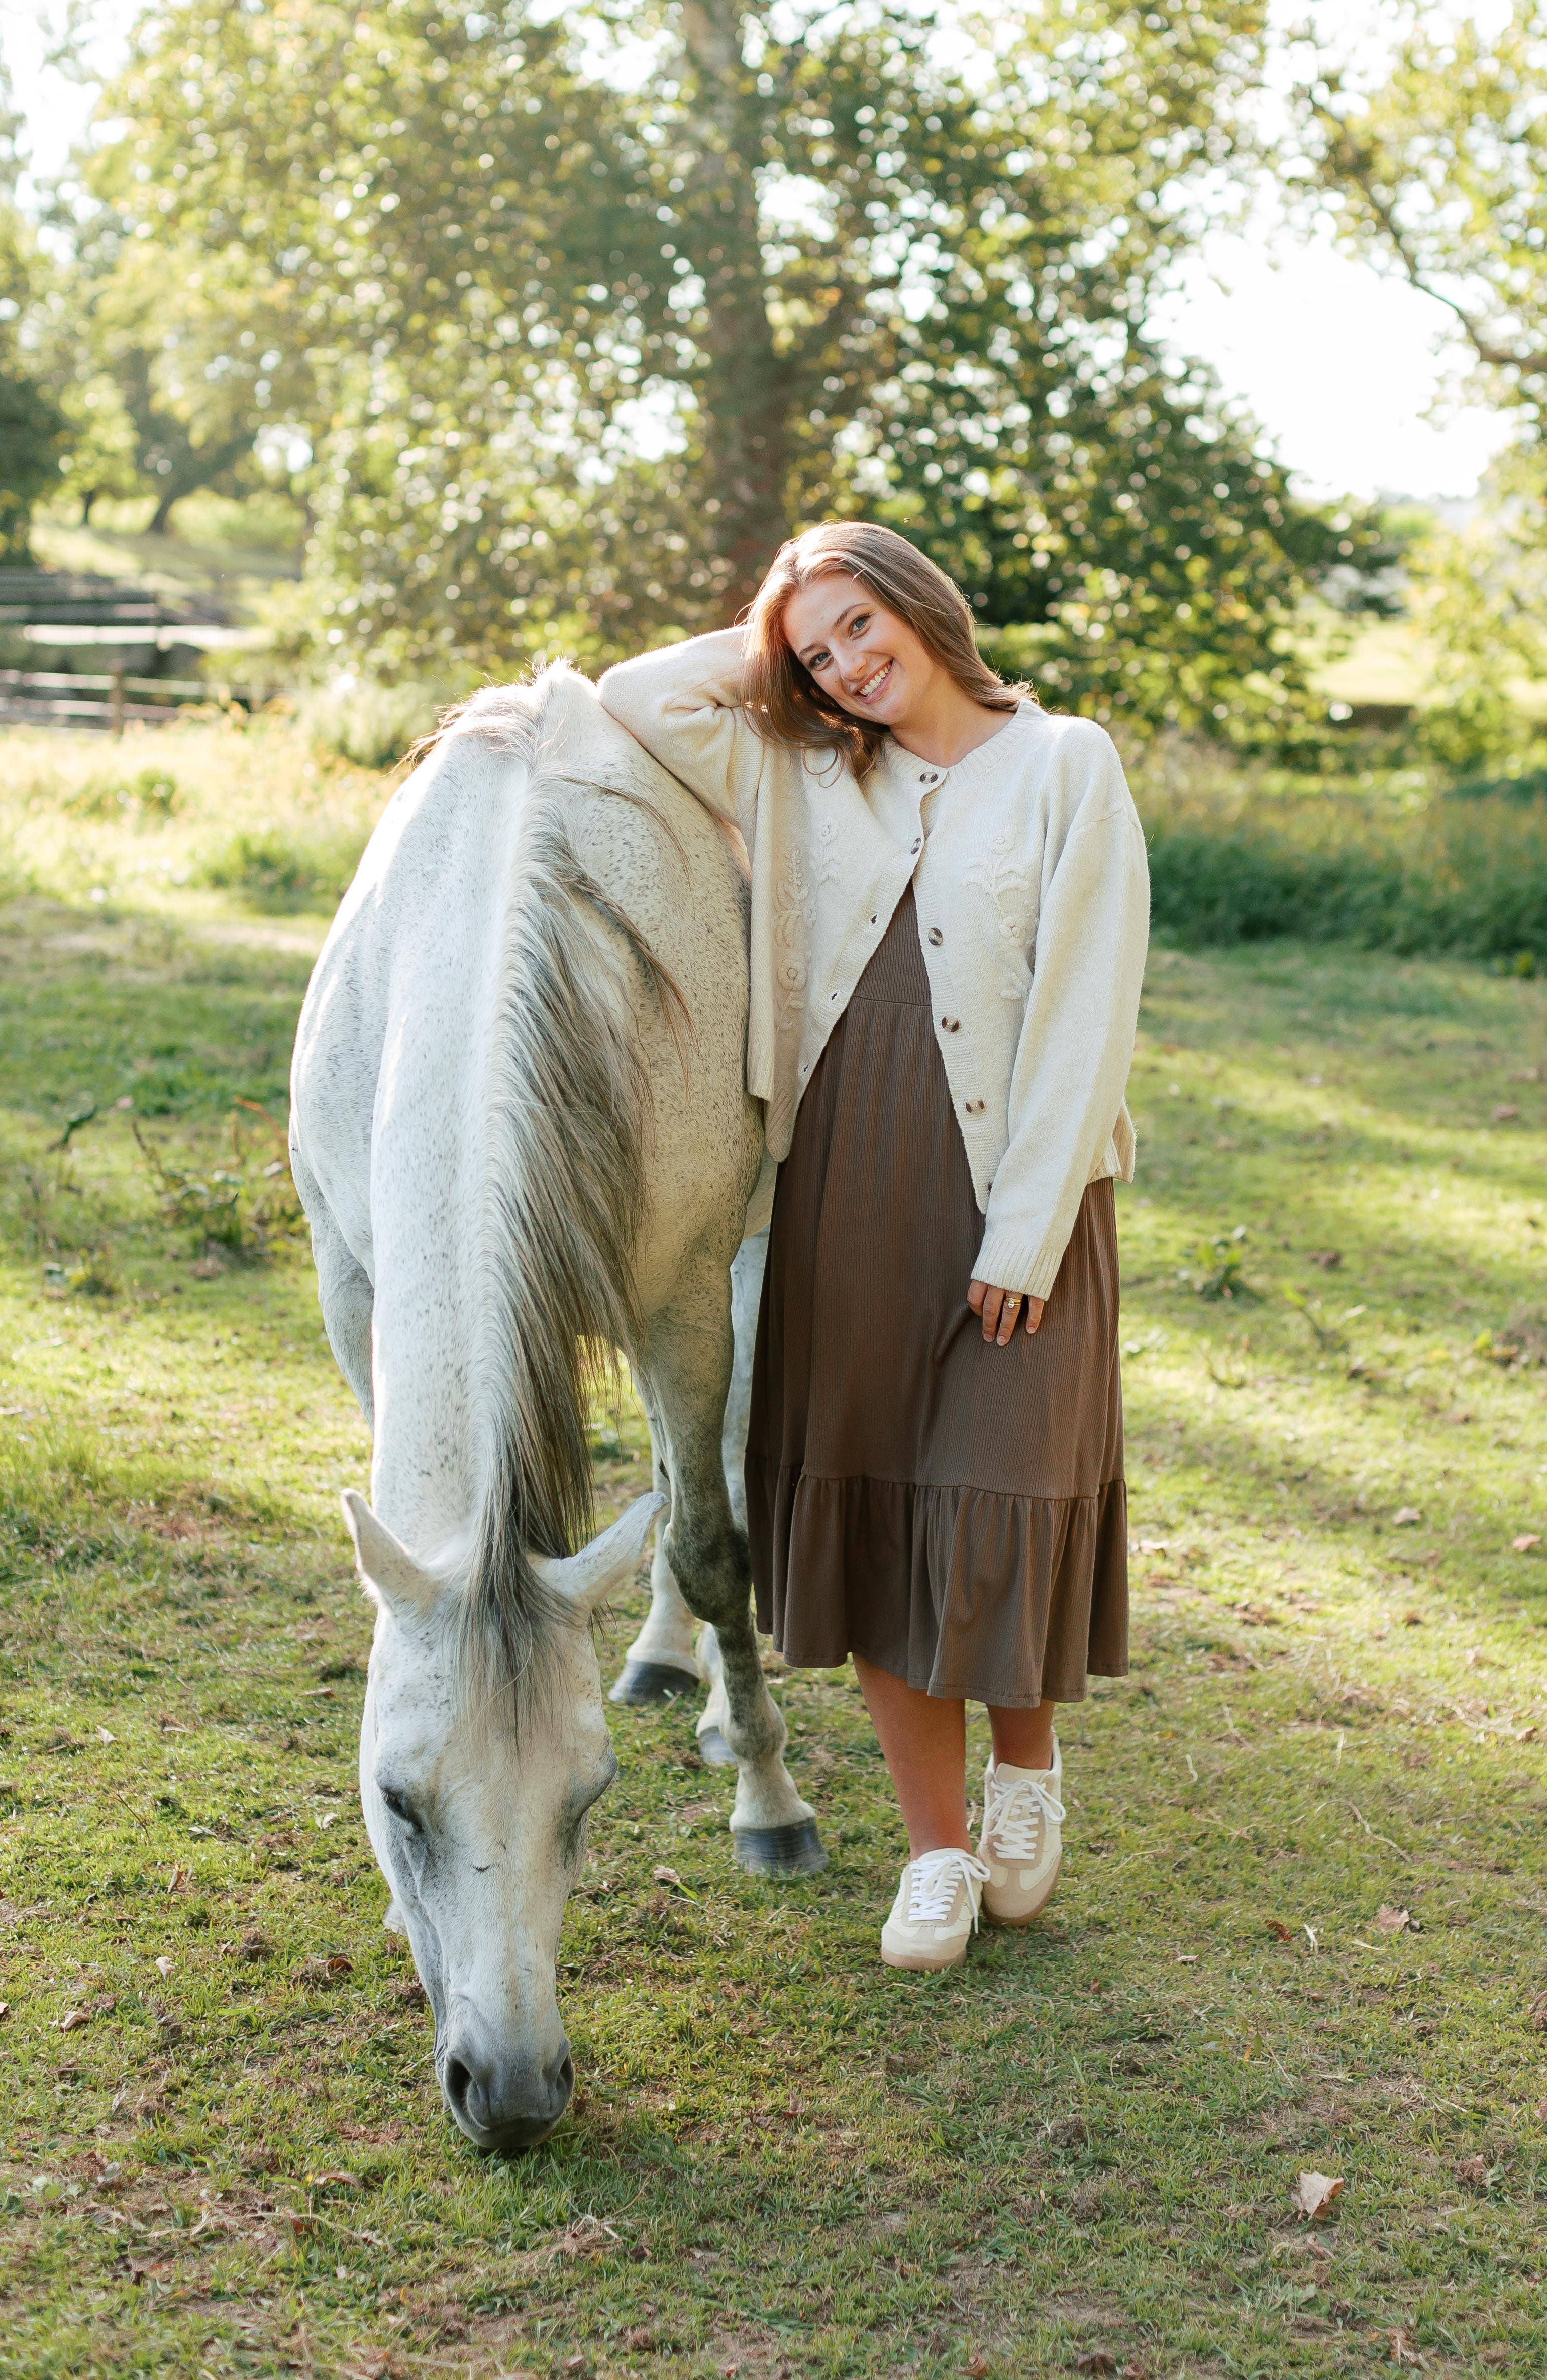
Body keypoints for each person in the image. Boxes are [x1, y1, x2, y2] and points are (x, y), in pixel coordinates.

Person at [598, 522, 1149, 1972]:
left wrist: (1027, 1231)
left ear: (919, 601)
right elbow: (633, 692)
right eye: (817, 653)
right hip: (845, 1182)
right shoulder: (795, 767)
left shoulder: (1065, 763)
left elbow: (1090, 1008)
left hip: (1014, 1185)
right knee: (884, 1504)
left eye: (859, 625)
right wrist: (773, 631)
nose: (847, 664)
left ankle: (1023, 1778)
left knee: (1001, 1491)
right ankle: (935, 1854)